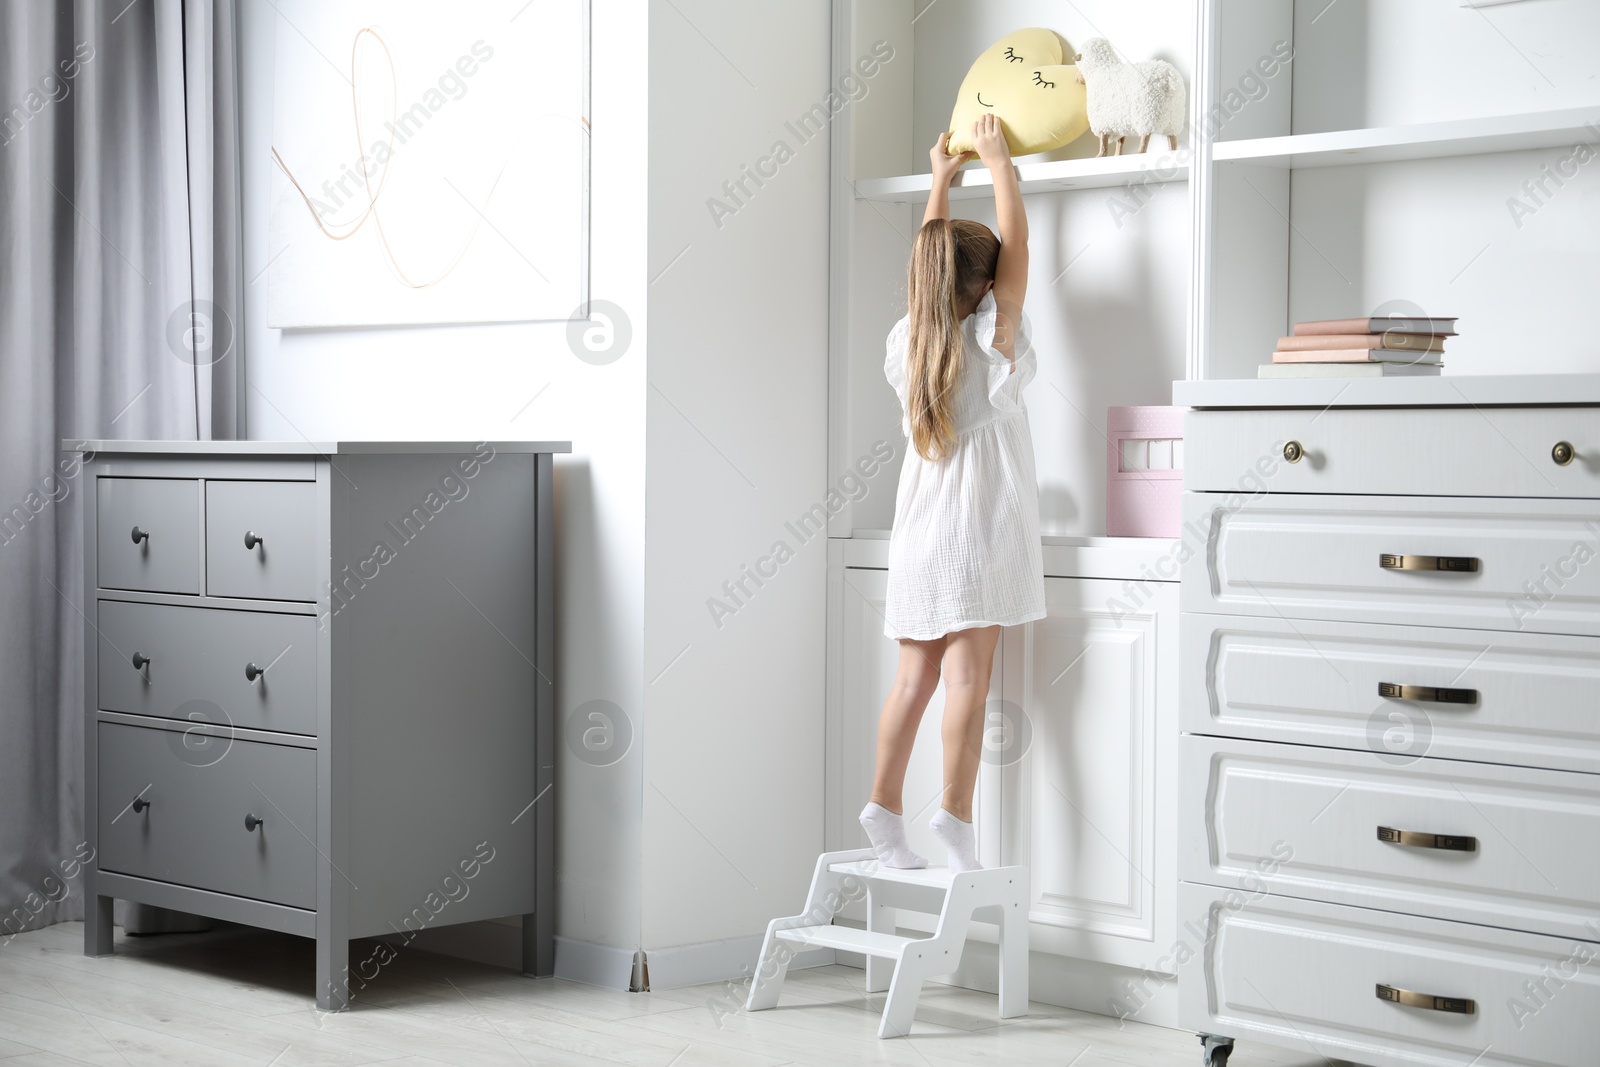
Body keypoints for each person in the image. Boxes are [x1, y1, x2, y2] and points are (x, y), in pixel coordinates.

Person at [860, 114, 1046, 874]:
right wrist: (1001, 163)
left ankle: (882, 805)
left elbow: (931, 266)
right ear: (984, 291)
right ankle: (956, 815)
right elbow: (1018, 255)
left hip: (917, 534)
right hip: (978, 532)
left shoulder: (912, 343)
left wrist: (940, 177)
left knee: (913, 679)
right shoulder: (989, 346)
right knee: (967, 677)